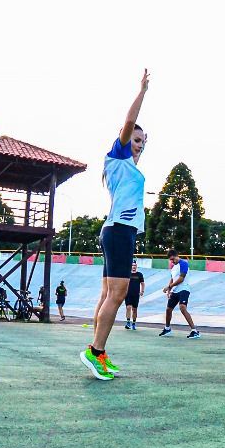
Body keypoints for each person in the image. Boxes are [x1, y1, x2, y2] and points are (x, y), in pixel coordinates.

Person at [82, 70, 150, 380]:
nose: (140, 145)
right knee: (117, 294)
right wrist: (142, 92)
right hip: (120, 230)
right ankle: (95, 352)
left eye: (143, 142)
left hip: (117, 230)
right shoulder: (118, 155)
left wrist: (141, 143)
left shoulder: (126, 168)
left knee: (108, 293)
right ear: (125, 138)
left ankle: (97, 350)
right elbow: (129, 121)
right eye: (136, 140)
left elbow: (135, 138)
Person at [160, 249, 199, 338]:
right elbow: (172, 279)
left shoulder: (184, 263)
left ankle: (194, 331)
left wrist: (169, 287)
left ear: (177, 256)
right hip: (175, 290)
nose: (172, 261)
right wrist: (169, 290)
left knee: (182, 308)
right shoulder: (173, 268)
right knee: (168, 309)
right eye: (170, 260)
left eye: (173, 259)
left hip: (184, 289)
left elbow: (181, 279)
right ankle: (167, 328)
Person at [124, 261, 144, 329]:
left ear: (136, 266)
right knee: (128, 307)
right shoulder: (127, 274)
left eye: (135, 265)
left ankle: (134, 323)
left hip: (136, 294)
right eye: (132, 265)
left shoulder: (139, 274)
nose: (133, 267)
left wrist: (142, 291)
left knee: (134, 309)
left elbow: (142, 283)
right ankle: (128, 322)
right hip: (128, 294)